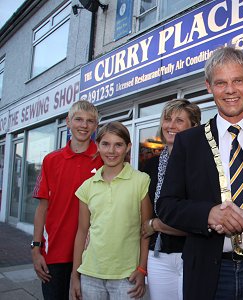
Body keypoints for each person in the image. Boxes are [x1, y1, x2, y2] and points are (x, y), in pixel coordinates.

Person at [156, 46, 243, 300]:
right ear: (209, 86)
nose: (230, 90)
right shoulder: (189, 142)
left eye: (237, 81)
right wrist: (207, 214)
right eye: (221, 83)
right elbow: (166, 205)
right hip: (208, 272)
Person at [70, 121, 151, 300]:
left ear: (128, 147)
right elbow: (82, 232)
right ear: (97, 145)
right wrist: (75, 275)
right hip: (90, 273)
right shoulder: (87, 186)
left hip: (126, 275)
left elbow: (145, 231)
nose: (111, 151)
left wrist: (142, 269)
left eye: (118, 145)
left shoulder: (141, 181)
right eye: (105, 144)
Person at [32, 100, 103, 300]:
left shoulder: (103, 159)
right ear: (68, 122)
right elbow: (42, 207)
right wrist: (36, 249)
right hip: (55, 252)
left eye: (90, 121)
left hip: (93, 253)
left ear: (96, 126)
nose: (84, 125)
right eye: (78, 119)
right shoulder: (51, 160)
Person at [140, 98, 201, 300]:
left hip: (193, 254)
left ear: (194, 126)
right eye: (167, 119)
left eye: (179, 120)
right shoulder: (149, 166)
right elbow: (144, 219)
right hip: (158, 255)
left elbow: (197, 219)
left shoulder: (203, 165)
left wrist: (157, 224)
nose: (171, 125)